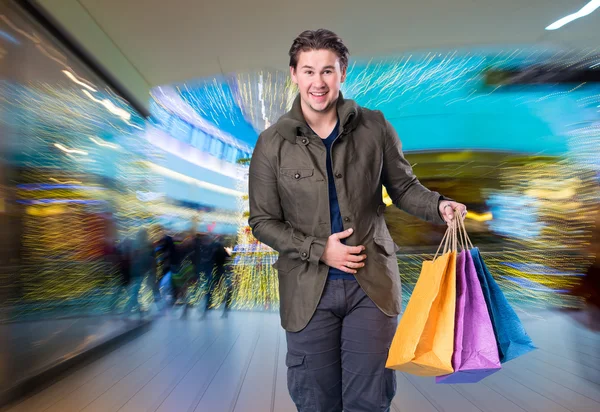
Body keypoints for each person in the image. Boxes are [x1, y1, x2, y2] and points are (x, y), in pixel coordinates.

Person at [248, 29, 467, 411]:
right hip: (306, 291)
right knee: (316, 401)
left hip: (373, 287)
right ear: (294, 74)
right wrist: (319, 250)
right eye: (309, 71)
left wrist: (439, 206)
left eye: (328, 71)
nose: (319, 82)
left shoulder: (374, 127)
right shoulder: (271, 143)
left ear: (342, 74)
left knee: (370, 399)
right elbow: (263, 221)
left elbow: (404, 188)